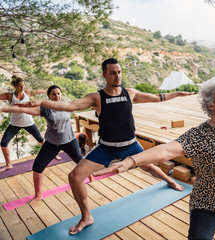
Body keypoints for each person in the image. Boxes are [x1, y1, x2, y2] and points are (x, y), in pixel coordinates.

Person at [94, 77, 215, 240]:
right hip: (207, 201)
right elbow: (166, 151)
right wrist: (130, 161)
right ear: (210, 104)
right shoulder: (199, 136)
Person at [17, 58, 194, 235]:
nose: (117, 76)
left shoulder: (129, 93)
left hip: (131, 145)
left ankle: (170, 180)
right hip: (106, 148)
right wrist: (42, 102)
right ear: (104, 75)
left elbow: (156, 98)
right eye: (112, 73)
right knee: (74, 176)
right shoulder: (96, 97)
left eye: (119, 72)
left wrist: (177, 94)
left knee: (148, 166)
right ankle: (86, 217)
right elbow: (70, 106)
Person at [0, 85, 86, 203]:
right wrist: (3, 109)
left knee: (81, 163)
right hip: (51, 143)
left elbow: (84, 103)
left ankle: (91, 177)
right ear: (49, 97)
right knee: (37, 168)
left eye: (58, 94)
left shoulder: (67, 105)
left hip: (69, 141)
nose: (57, 96)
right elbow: (22, 110)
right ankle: (38, 195)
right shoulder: (45, 108)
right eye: (54, 94)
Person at [0, 75, 46, 172]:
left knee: (41, 139)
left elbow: (40, 90)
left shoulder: (27, 93)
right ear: (15, 86)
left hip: (28, 123)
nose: (22, 87)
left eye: (23, 85)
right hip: (14, 124)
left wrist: (49, 90)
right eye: (20, 86)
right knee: (3, 143)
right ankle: (8, 164)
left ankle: (53, 155)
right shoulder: (9, 96)